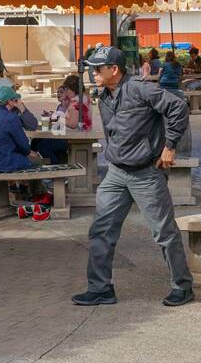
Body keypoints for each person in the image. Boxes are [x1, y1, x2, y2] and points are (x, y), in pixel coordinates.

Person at [72, 45, 194, 307]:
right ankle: (100, 288)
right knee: (101, 230)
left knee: (164, 232)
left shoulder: (141, 89)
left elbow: (178, 108)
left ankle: (182, 286)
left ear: (114, 70)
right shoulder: (103, 95)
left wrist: (169, 146)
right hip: (116, 173)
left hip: (146, 174)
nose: (92, 73)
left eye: (97, 69)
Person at [0, 82, 51, 215]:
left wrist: (21, 107)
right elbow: (24, 146)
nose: (17, 100)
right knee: (37, 160)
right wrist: (31, 154)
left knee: (28, 157)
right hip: (0, 161)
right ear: (10, 101)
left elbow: (31, 125)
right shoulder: (10, 118)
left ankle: (24, 191)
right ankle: (36, 195)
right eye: (15, 99)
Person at [34, 74, 91, 164]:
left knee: (43, 146)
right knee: (40, 140)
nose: (66, 92)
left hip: (75, 137)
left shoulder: (76, 101)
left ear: (71, 88)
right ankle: (59, 166)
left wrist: (56, 117)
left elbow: (72, 124)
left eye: (66, 89)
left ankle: (57, 170)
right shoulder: (82, 98)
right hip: (76, 134)